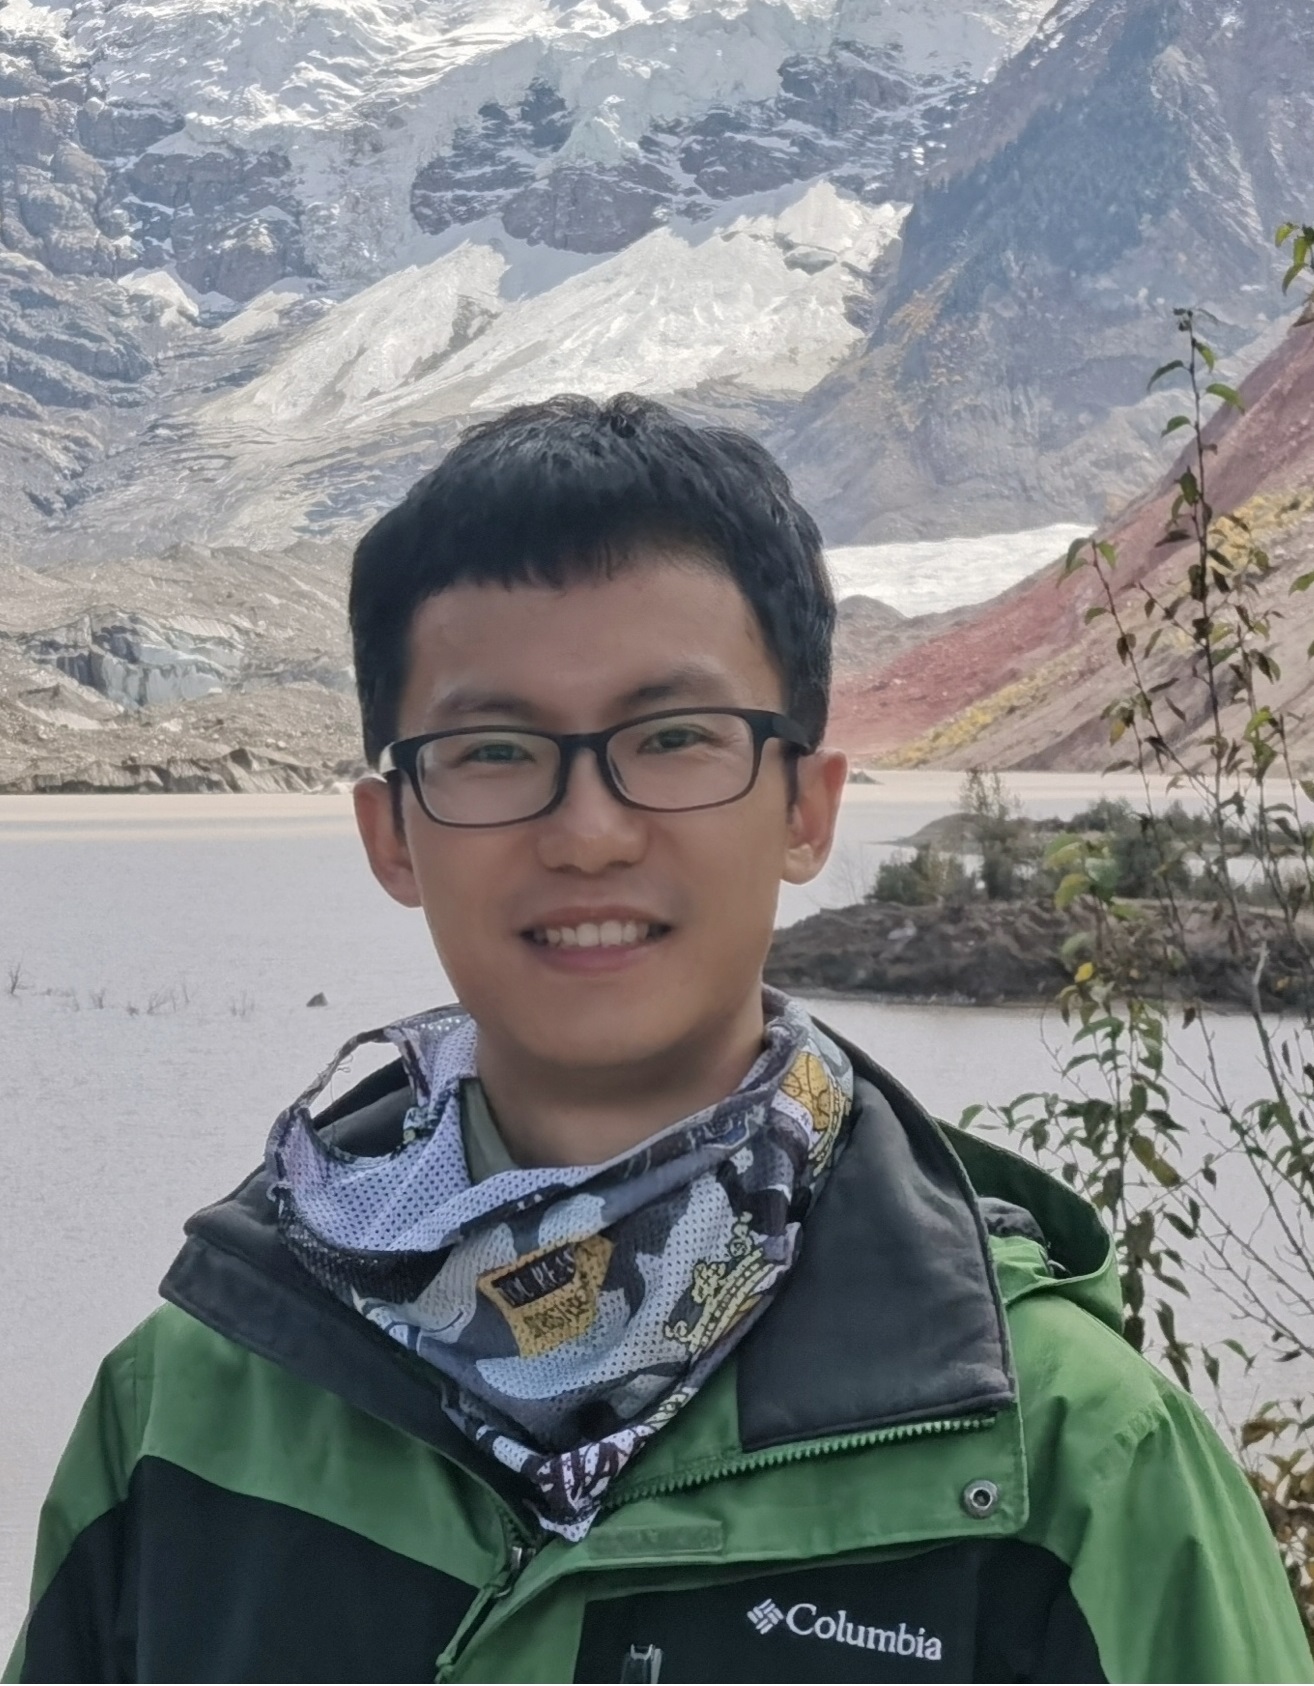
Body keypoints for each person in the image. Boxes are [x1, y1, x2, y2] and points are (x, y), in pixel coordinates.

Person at [5, 394, 1310, 1686]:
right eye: (493, 749)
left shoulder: (1071, 1464)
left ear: (806, 809)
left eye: (675, 738)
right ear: (391, 833)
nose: (587, 832)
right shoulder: (188, 1409)